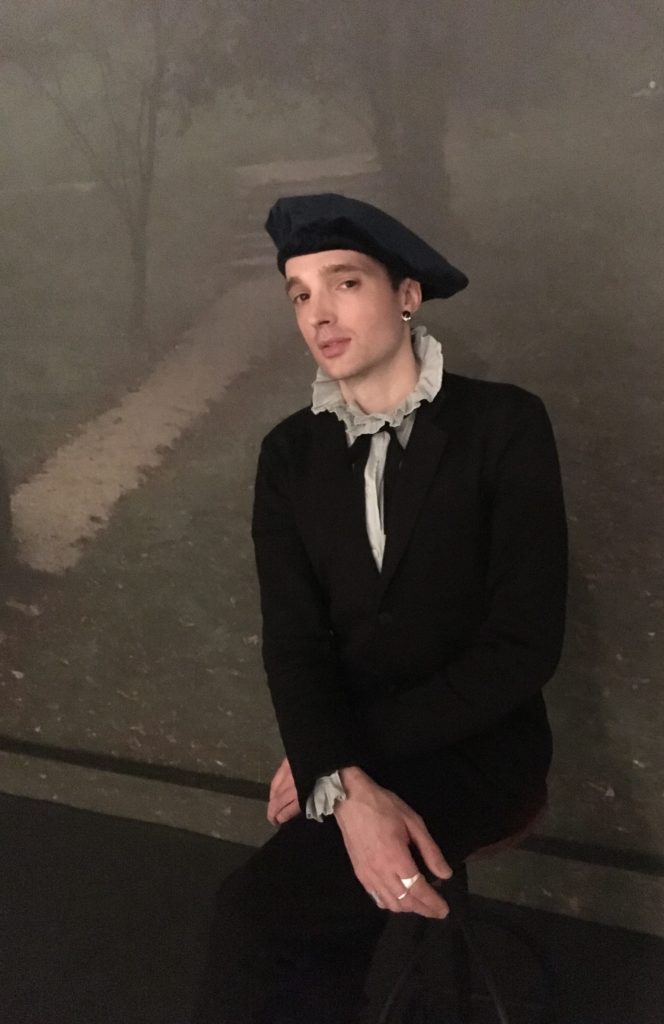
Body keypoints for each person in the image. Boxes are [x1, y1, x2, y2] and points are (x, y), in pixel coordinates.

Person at [192, 193, 567, 1023]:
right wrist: (341, 778)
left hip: (478, 746)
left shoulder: (505, 425)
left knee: (255, 921)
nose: (318, 313)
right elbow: (293, 644)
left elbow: (523, 646)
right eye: (299, 294)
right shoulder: (288, 454)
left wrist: (335, 760)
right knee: (297, 935)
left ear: (407, 294)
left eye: (344, 282)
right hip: (348, 748)